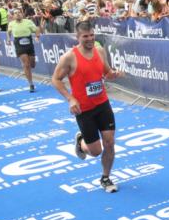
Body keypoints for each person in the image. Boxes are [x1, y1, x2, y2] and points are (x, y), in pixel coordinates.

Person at [51, 21, 125, 193]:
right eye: (86, 36)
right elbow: (55, 79)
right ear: (78, 37)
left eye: (92, 35)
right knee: (95, 151)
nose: (90, 39)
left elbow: (106, 73)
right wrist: (70, 99)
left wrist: (114, 74)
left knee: (110, 142)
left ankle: (106, 177)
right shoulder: (69, 57)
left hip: (102, 104)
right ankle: (81, 142)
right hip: (84, 110)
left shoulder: (99, 51)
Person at [8, 8, 41, 92]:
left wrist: (37, 37)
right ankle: (31, 84)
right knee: (26, 64)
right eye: (16, 13)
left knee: (32, 64)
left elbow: (36, 29)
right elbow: (8, 32)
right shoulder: (11, 24)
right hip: (19, 44)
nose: (18, 14)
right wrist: (8, 39)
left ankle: (31, 66)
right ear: (13, 16)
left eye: (19, 12)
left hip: (29, 42)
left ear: (22, 14)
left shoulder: (28, 22)